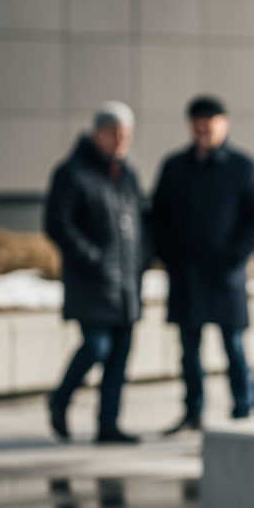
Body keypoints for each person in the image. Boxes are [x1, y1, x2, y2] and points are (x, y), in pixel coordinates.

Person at [150, 96, 254, 433]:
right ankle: (193, 412)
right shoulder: (175, 166)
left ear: (225, 123)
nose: (204, 127)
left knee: (234, 348)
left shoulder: (242, 167)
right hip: (186, 277)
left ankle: (243, 411)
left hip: (225, 278)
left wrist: (234, 257)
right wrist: (169, 256)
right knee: (188, 352)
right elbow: (157, 217)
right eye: (198, 120)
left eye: (211, 120)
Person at [44, 102, 150, 444]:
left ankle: (108, 425)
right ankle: (61, 398)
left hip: (126, 284)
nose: (120, 139)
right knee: (96, 346)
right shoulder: (73, 173)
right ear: (96, 134)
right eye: (113, 132)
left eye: (126, 134)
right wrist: (92, 257)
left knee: (119, 358)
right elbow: (57, 223)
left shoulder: (127, 175)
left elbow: (140, 224)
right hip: (91, 283)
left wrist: (141, 261)